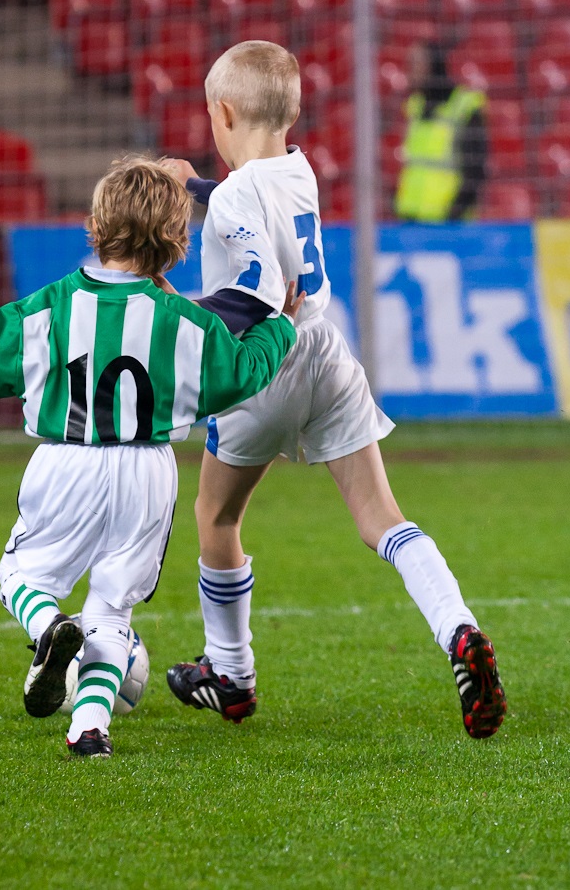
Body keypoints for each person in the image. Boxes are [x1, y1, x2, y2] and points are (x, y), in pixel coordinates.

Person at [164, 40, 507, 739]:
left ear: (222, 112)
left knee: (216, 516)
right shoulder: (299, 168)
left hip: (267, 362)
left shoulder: (234, 195)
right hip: (328, 351)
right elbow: (246, 201)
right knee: (383, 516)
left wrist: (176, 315)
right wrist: (194, 186)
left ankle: (231, 673)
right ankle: (459, 630)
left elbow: (252, 295)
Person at [0, 156, 297, 758]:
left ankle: (48, 628)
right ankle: (89, 729)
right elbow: (243, 372)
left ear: (96, 229)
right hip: (148, 474)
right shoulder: (185, 322)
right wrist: (279, 324)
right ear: (177, 245)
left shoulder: (51, 306)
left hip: (66, 463)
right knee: (111, 609)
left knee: (20, 576)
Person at [395, 40, 488, 223]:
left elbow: (475, 170)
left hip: (449, 224)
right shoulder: (414, 106)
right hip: (410, 218)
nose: (410, 70)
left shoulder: (465, 107)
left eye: (416, 63)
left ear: (433, 65)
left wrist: (454, 215)